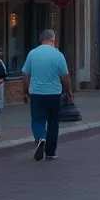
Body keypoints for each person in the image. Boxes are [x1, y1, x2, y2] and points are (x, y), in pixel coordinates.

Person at [21, 29, 72, 161]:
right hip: (54, 93)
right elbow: (65, 77)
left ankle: (40, 137)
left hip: (37, 93)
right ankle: (50, 152)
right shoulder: (58, 55)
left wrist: (25, 91)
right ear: (53, 39)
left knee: (38, 119)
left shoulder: (32, 54)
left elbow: (25, 75)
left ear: (41, 39)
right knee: (53, 122)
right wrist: (69, 92)